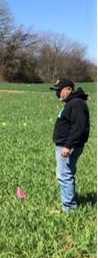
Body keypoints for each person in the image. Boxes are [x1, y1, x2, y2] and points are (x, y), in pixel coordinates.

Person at [49, 78, 90, 211]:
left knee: (64, 175)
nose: (57, 94)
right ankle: (69, 204)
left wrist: (68, 145)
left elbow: (79, 127)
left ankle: (69, 208)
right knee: (65, 174)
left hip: (68, 146)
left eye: (59, 91)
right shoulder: (72, 103)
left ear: (69, 89)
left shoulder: (76, 103)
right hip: (66, 145)